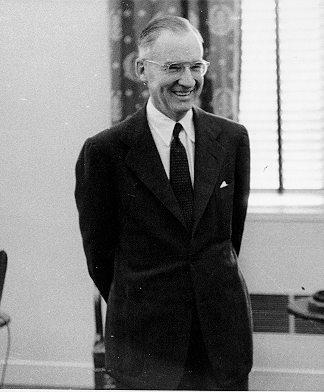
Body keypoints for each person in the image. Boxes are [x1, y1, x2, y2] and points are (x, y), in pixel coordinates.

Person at [75, 15, 252, 390]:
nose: (188, 81)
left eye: (196, 66)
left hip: (221, 342)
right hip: (144, 346)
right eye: (173, 67)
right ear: (142, 69)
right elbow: (100, 257)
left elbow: (230, 237)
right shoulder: (104, 152)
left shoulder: (232, 139)